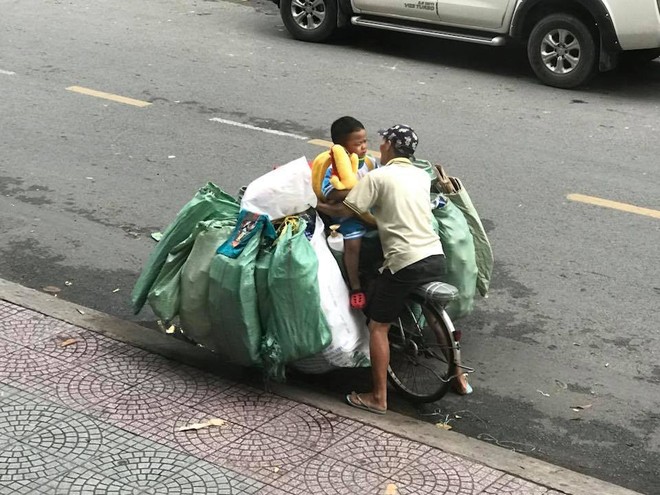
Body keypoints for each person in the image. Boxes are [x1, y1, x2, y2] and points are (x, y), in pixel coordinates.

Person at [316, 124, 471, 414]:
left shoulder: (379, 176)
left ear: (388, 145)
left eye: (381, 141)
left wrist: (315, 203)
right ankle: (459, 378)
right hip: (434, 254)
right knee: (431, 311)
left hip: (404, 260)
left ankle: (377, 398)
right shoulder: (420, 176)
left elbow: (344, 212)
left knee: (378, 326)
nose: (377, 145)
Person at [321, 116, 378, 310]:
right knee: (353, 243)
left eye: (365, 141)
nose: (363, 146)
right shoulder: (334, 168)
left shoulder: (370, 163)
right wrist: (360, 191)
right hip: (348, 216)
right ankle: (355, 286)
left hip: (370, 211)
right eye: (358, 143)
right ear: (342, 148)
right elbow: (330, 192)